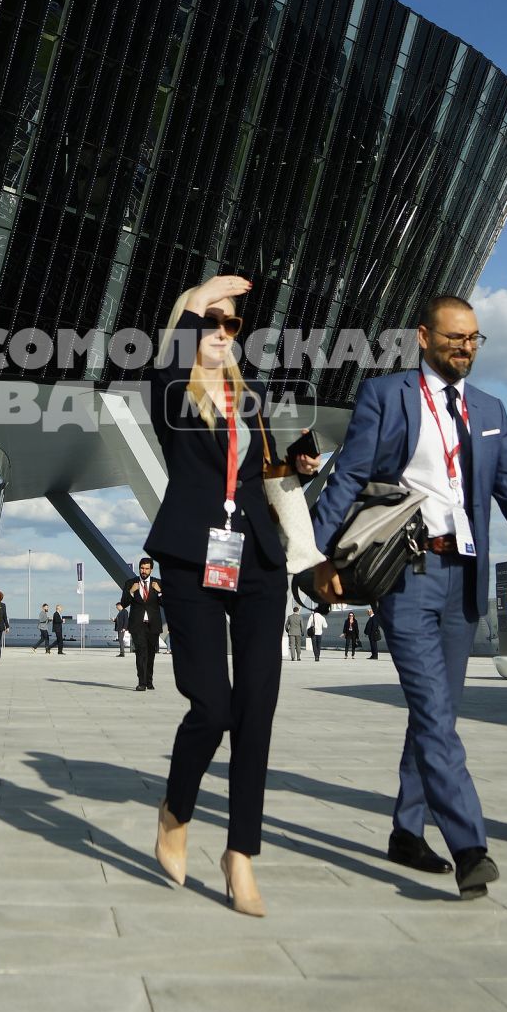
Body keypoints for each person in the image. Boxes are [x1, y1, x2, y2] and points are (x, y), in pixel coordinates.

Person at [311, 294, 507, 900]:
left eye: (475, 339)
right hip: (408, 571)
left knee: (438, 713)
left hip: (464, 576)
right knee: (431, 710)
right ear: (423, 337)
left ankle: (406, 829)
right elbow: (349, 474)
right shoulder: (387, 394)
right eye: (455, 338)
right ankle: (470, 843)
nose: (466, 348)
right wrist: (315, 557)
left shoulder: (490, 408)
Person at [145, 274, 318, 917]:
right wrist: (202, 292)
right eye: (210, 320)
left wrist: (294, 463)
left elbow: (258, 471)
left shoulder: (253, 395)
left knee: (256, 713)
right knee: (211, 707)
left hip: (259, 561)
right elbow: (171, 355)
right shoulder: (168, 387)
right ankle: (175, 811)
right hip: (193, 557)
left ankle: (241, 853)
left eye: (232, 322)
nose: (222, 330)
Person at [117, 558, 165, 691]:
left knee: (151, 653)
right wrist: (131, 591)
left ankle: (149, 681)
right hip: (137, 625)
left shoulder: (158, 583)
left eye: (146, 568)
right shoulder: (130, 583)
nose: (144, 571)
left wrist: (159, 591)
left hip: (153, 624)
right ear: (139, 568)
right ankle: (141, 682)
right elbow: (124, 603)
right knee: (141, 652)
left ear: (151, 569)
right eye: (142, 568)